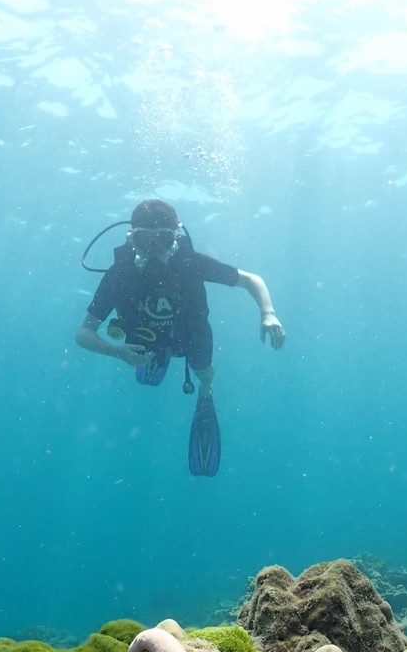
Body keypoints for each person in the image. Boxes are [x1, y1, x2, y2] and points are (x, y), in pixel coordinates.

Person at [76, 198, 286, 476]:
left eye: (161, 240)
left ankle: (206, 390)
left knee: (204, 373)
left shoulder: (191, 265)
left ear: (175, 238)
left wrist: (268, 313)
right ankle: (155, 359)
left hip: (191, 337)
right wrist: (118, 352)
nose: (152, 251)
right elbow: (83, 333)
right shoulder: (120, 275)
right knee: (147, 351)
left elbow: (251, 280)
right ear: (131, 239)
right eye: (143, 241)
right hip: (141, 340)